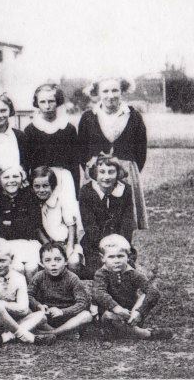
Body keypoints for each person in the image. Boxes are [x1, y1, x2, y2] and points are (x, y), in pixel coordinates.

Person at [78, 77, 149, 229]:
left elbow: (141, 150)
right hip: (97, 175)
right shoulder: (88, 117)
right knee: (95, 221)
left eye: (115, 90)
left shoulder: (133, 116)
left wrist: (129, 169)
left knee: (123, 222)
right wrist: (93, 171)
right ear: (97, 93)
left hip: (126, 175)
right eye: (105, 91)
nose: (110, 95)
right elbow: (82, 149)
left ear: (122, 91)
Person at [0, 237, 54, 347]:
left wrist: (1, 304)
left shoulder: (19, 278)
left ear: (12, 258)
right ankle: (29, 337)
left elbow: (24, 309)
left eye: (2, 260)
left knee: (41, 316)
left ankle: (4, 338)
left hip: (14, 321)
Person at [93, 234, 172, 341]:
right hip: (111, 313)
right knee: (109, 315)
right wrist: (116, 308)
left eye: (120, 256)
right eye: (111, 257)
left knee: (146, 293)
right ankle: (145, 334)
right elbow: (99, 293)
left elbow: (153, 292)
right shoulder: (101, 274)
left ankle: (129, 328)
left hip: (131, 314)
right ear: (102, 258)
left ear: (128, 256)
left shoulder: (133, 273)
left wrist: (139, 312)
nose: (116, 260)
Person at [79, 155, 137, 275]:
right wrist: (105, 247)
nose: (106, 177)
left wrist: (119, 244)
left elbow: (127, 222)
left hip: (119, 243)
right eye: (102, 172)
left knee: (126, 270)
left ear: (118, 173)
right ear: (96, 173)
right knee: (99, 271)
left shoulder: (125, 190)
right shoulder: (86, 191)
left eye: (111, 172)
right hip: (95, 245)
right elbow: (89, 225)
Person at [27, 241, 93, 338]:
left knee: (86, 315)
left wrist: (62, 312)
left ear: (65, 261)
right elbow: (28, 295)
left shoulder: (72, 278)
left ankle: (52, 333)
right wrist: (38, 306)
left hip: (68, 318)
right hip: (47, 317)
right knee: (29, 311)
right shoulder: (39, 276)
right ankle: (62, 334)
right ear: (41, 263)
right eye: (48, 260)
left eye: (58, 260)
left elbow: (82, 303)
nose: (53, 264)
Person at [24, 83, 80, 187]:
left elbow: (74, 164)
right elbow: (27, 164)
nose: (47, 106)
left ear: (57, 102)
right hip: (41, 183)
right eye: (42, 102)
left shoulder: (68, 129)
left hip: (64, 181)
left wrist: (76, 191)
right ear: (37, 104)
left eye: (51, 101)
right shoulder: (30, 130)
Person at [0, 165, 41, 280]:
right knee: (17, 268)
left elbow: (35, 224)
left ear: (22, 177)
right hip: (6, 244)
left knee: (31, 267)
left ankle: (31, 296)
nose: (11, 181)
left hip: (28, 243)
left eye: (15, 176)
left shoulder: (29, 195)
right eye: (6, 177)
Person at [31, 167, 84, 273]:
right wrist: (48, 246)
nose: (41, 190)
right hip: (48, 244)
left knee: (73, 260)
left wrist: (69, 247)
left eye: (45, 186)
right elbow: (37, 228)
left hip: (66, 242)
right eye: (37, 186)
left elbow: (71, 225)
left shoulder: (60, 200)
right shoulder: (33, 203)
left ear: (52, 186)